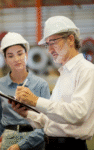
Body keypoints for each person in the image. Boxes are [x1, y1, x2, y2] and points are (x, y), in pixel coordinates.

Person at [11, 16, 94, 150]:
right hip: (52, 144)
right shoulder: (65, 73)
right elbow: (51, 120)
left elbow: (78, 114)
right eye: (47, 44)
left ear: (71, 39)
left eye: (53, 42)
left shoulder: (86, 70)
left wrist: (36, 101)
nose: (49, 50)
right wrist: (26, 113)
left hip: (70, 147)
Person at [0, 32, 50, 150]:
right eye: (10, 56)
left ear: (27, 55)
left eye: (20, 54)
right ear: (5, 59)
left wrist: (21, 146)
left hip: (35, 142)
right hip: (9, 143)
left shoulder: (41, 85)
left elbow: (47, 125)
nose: (16, 59)